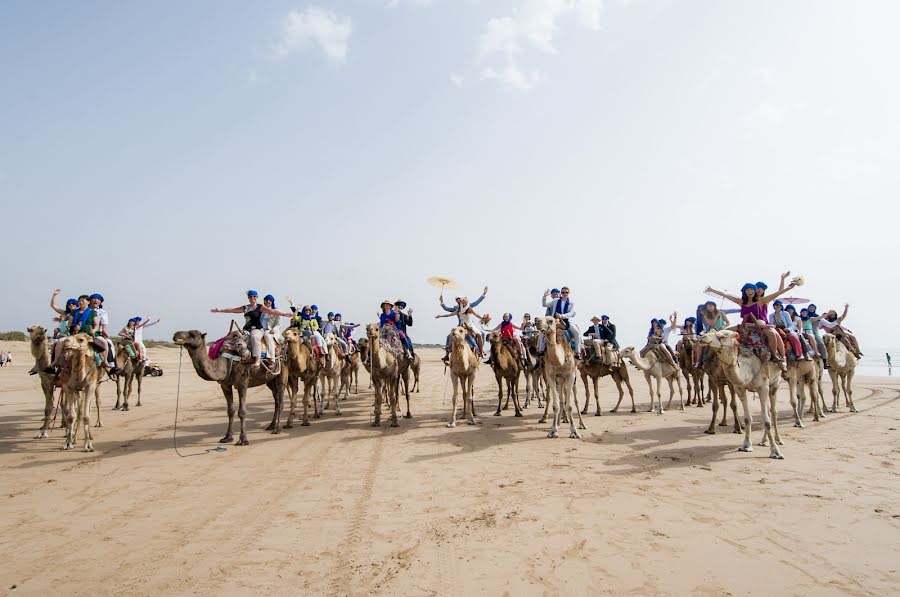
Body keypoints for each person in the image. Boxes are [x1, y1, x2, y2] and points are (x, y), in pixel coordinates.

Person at [705, 279, 798, 370]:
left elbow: (777, 293)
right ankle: (712, 358)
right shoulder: (741, 301)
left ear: (754, 291)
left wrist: (789, 288)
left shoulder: (761, 301)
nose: (749, 291)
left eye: (751, 289)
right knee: (723, 332)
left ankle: (778, 357)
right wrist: (712, 290)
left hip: (760, 325)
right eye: (747, 289)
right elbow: (726, 294)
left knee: (773, 333)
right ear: (744, 291)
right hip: (745, 325)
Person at [210, 290, 292, 369]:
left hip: (257, 329)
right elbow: (232, 310)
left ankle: (257, 360)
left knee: (254, 337)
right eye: (250, 297)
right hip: (246, 329)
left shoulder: (260, 307)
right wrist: (219, 310)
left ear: (257, 297)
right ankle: (223, 356)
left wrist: (284, 314)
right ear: (248, 298)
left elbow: (271, 311)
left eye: (254, 296)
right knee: (233, 335)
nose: (252, 298)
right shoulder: (245, 308)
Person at [436, 296, 487, 363]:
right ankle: (448, 351)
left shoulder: (469, 308)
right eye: (458, 300)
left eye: (461, 300)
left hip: (470, 325)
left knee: (480, 335)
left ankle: (481, 351)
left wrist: (482, 318)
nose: (460, 302)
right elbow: (449, 314)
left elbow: (476, 314)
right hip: (461, 325)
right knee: (451, 335)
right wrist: (440, 315)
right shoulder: (458, 309)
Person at [541, 286, 582, 358]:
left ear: (569, 293)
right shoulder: (556, 300)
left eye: (566, 292)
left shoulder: (571, 303)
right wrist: (544, 297)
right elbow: (544, 305)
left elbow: (571, 313)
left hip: (566, 321)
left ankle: (578, 352)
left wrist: (561, 316)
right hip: (555, 321)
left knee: (577, 333)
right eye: (563, 292)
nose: (564, 294)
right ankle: (541, 350)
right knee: (543, 332)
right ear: (561, 293)